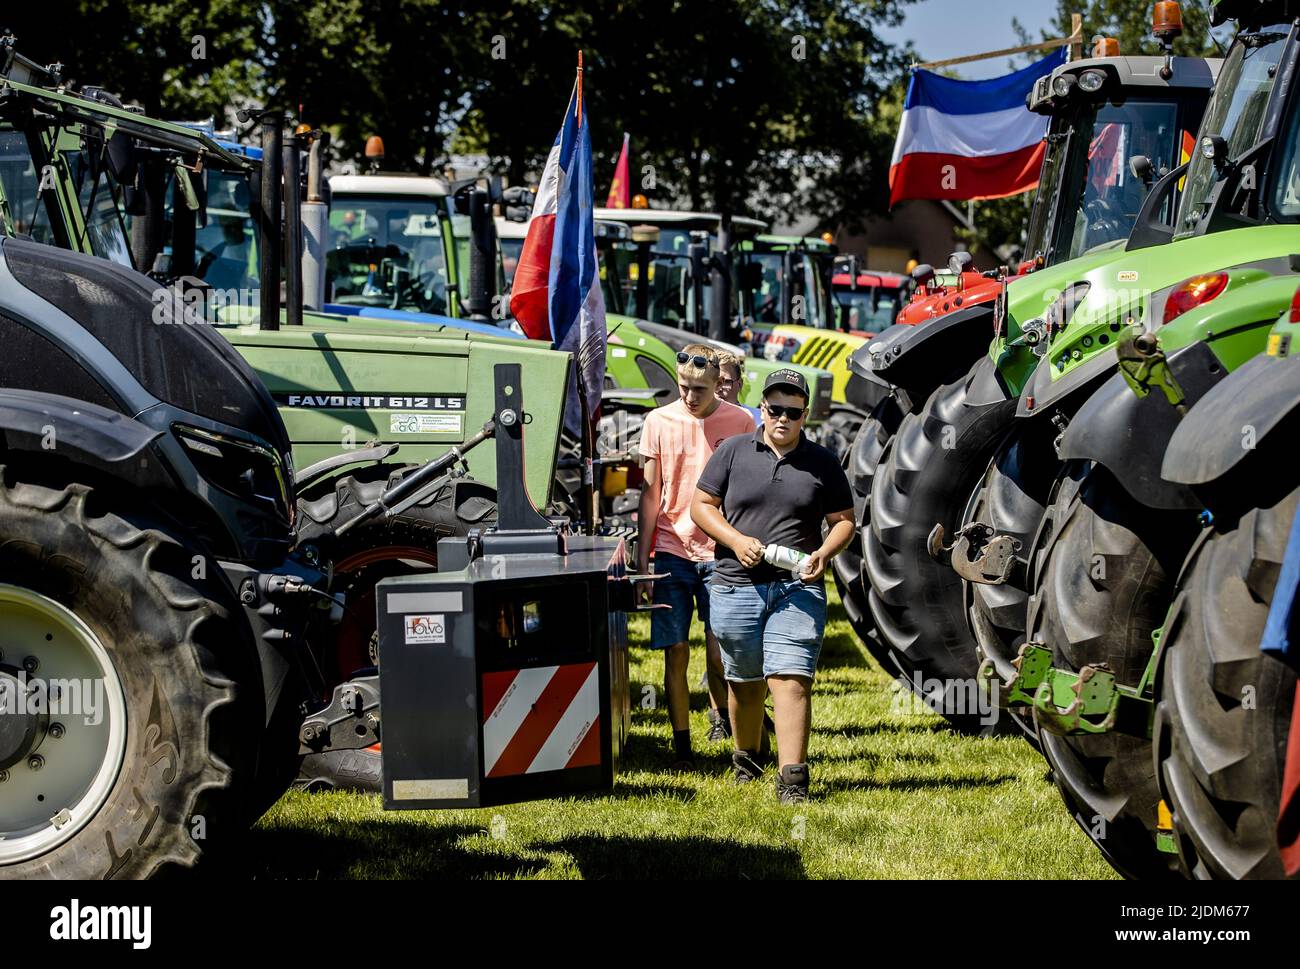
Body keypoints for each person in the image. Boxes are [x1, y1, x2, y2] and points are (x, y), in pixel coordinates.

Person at [691, 368, 855, 804]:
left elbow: (844, 522)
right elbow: (701, 505)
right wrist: (735, 540)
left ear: (805, 416)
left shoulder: (822, 461)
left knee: (791, 678)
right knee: (744, 683)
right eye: (775, 408)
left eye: (793, 412)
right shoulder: (732, 452)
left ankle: (793, 780)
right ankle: (747, 757)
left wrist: (824, 553)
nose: (783, 418)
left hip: (795, 587)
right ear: (762, 407)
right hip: (734, 585)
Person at [638, 344, 755, 767]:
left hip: (719, 551)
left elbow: (746, 491)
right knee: (675, 649)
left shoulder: (739, 421)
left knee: (721, 644)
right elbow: (650, 494)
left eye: (700, 389)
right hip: (672, 550)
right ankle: (681, 741)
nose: (690, 396)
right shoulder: (658, 421)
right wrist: (643, 556)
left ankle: (723, 719)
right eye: (684, 387)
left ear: (717, 385)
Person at [713, 350, 762, 425]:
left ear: (740, 384)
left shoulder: (758, 420)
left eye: (725, 382)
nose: (718, 389)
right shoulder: (695, 420)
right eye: (713, 381)